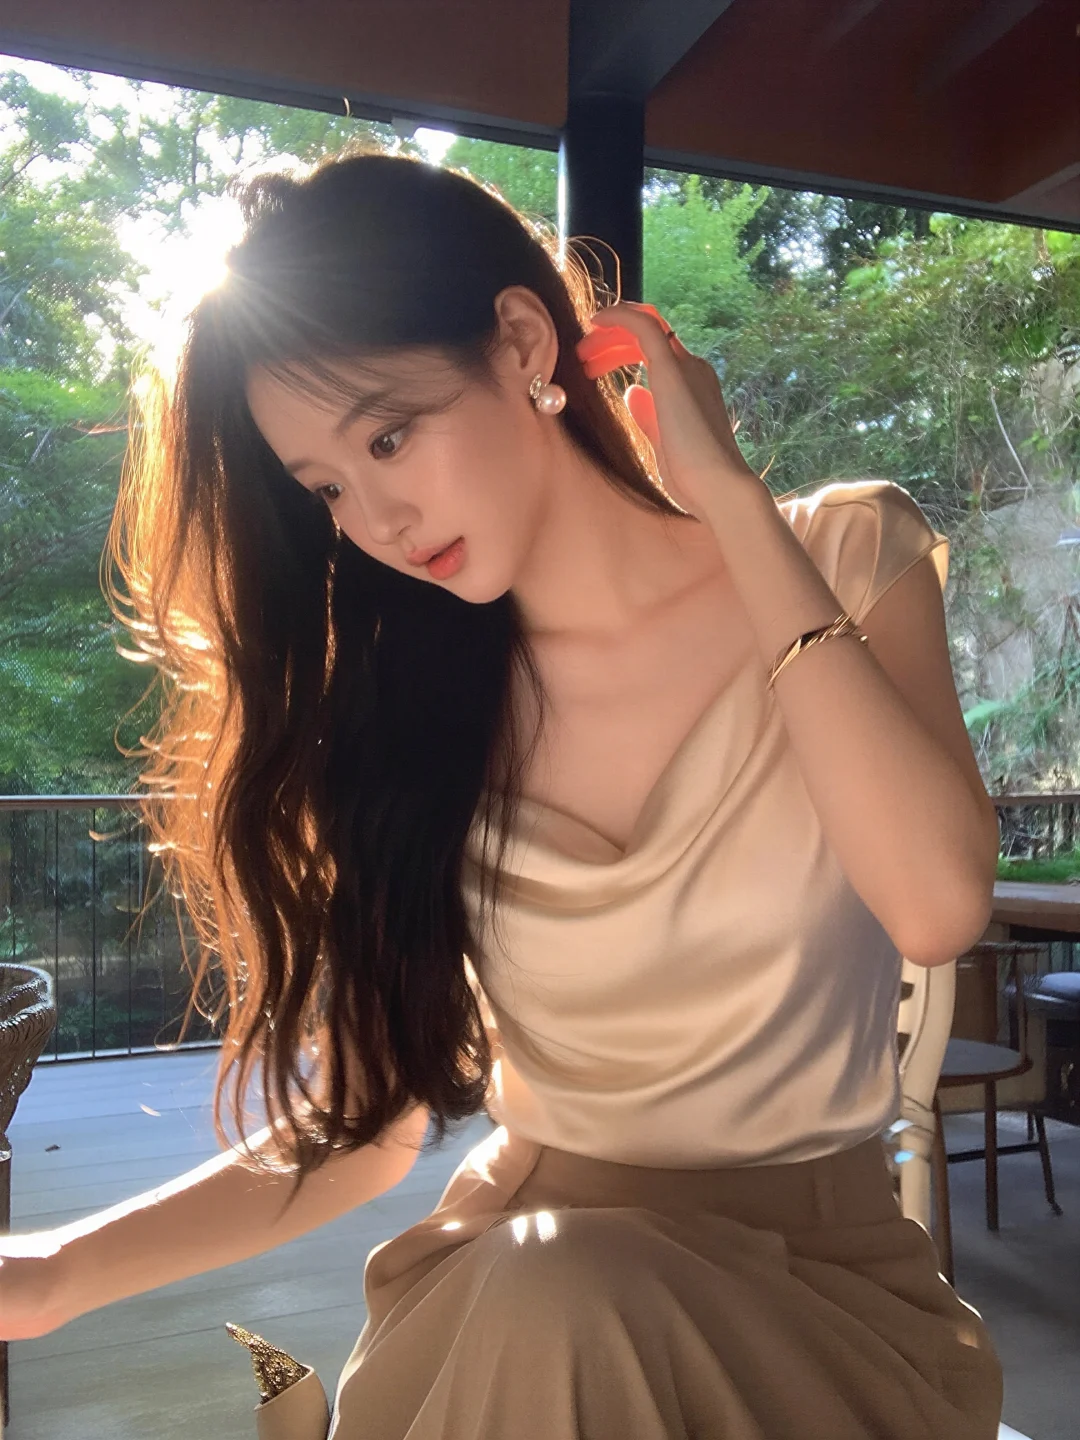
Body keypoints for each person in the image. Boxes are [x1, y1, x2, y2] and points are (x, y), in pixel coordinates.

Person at [0, 146, 1005, 1438]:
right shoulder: (405, 721)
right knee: (557, 1290)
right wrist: (53, 1277)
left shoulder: (845, 553)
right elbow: (370, 1122)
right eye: (328, 489)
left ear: (524, 342)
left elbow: (935, 905)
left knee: (565, 1294)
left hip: (820, 1300)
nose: (378, 519)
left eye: (389, 435)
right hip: (522, 1291)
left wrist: (730, 502)